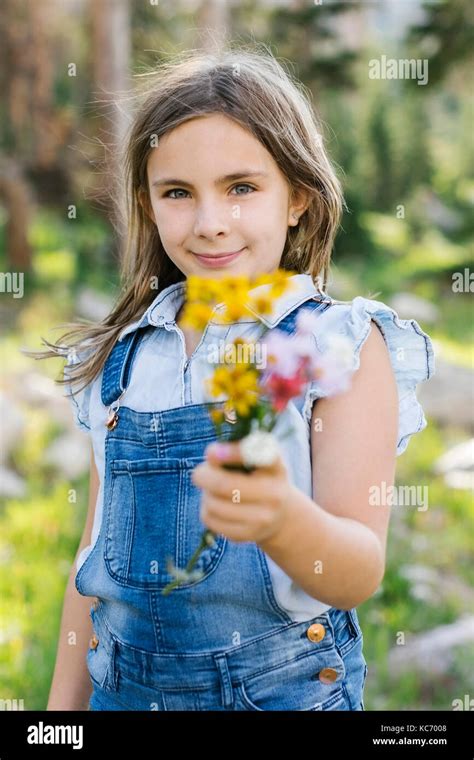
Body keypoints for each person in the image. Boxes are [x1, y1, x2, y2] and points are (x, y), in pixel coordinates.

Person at [34, 45, 435, 711]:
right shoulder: (128, 358)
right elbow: (94, 565)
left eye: (242, 188)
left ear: (298, 198)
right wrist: (57, 719)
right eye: (178, 193)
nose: (210, 222)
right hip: (122, 694)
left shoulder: (334, 346)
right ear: (148, 203)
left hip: (281, 695)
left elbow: (357, 571)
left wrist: (283, 521)